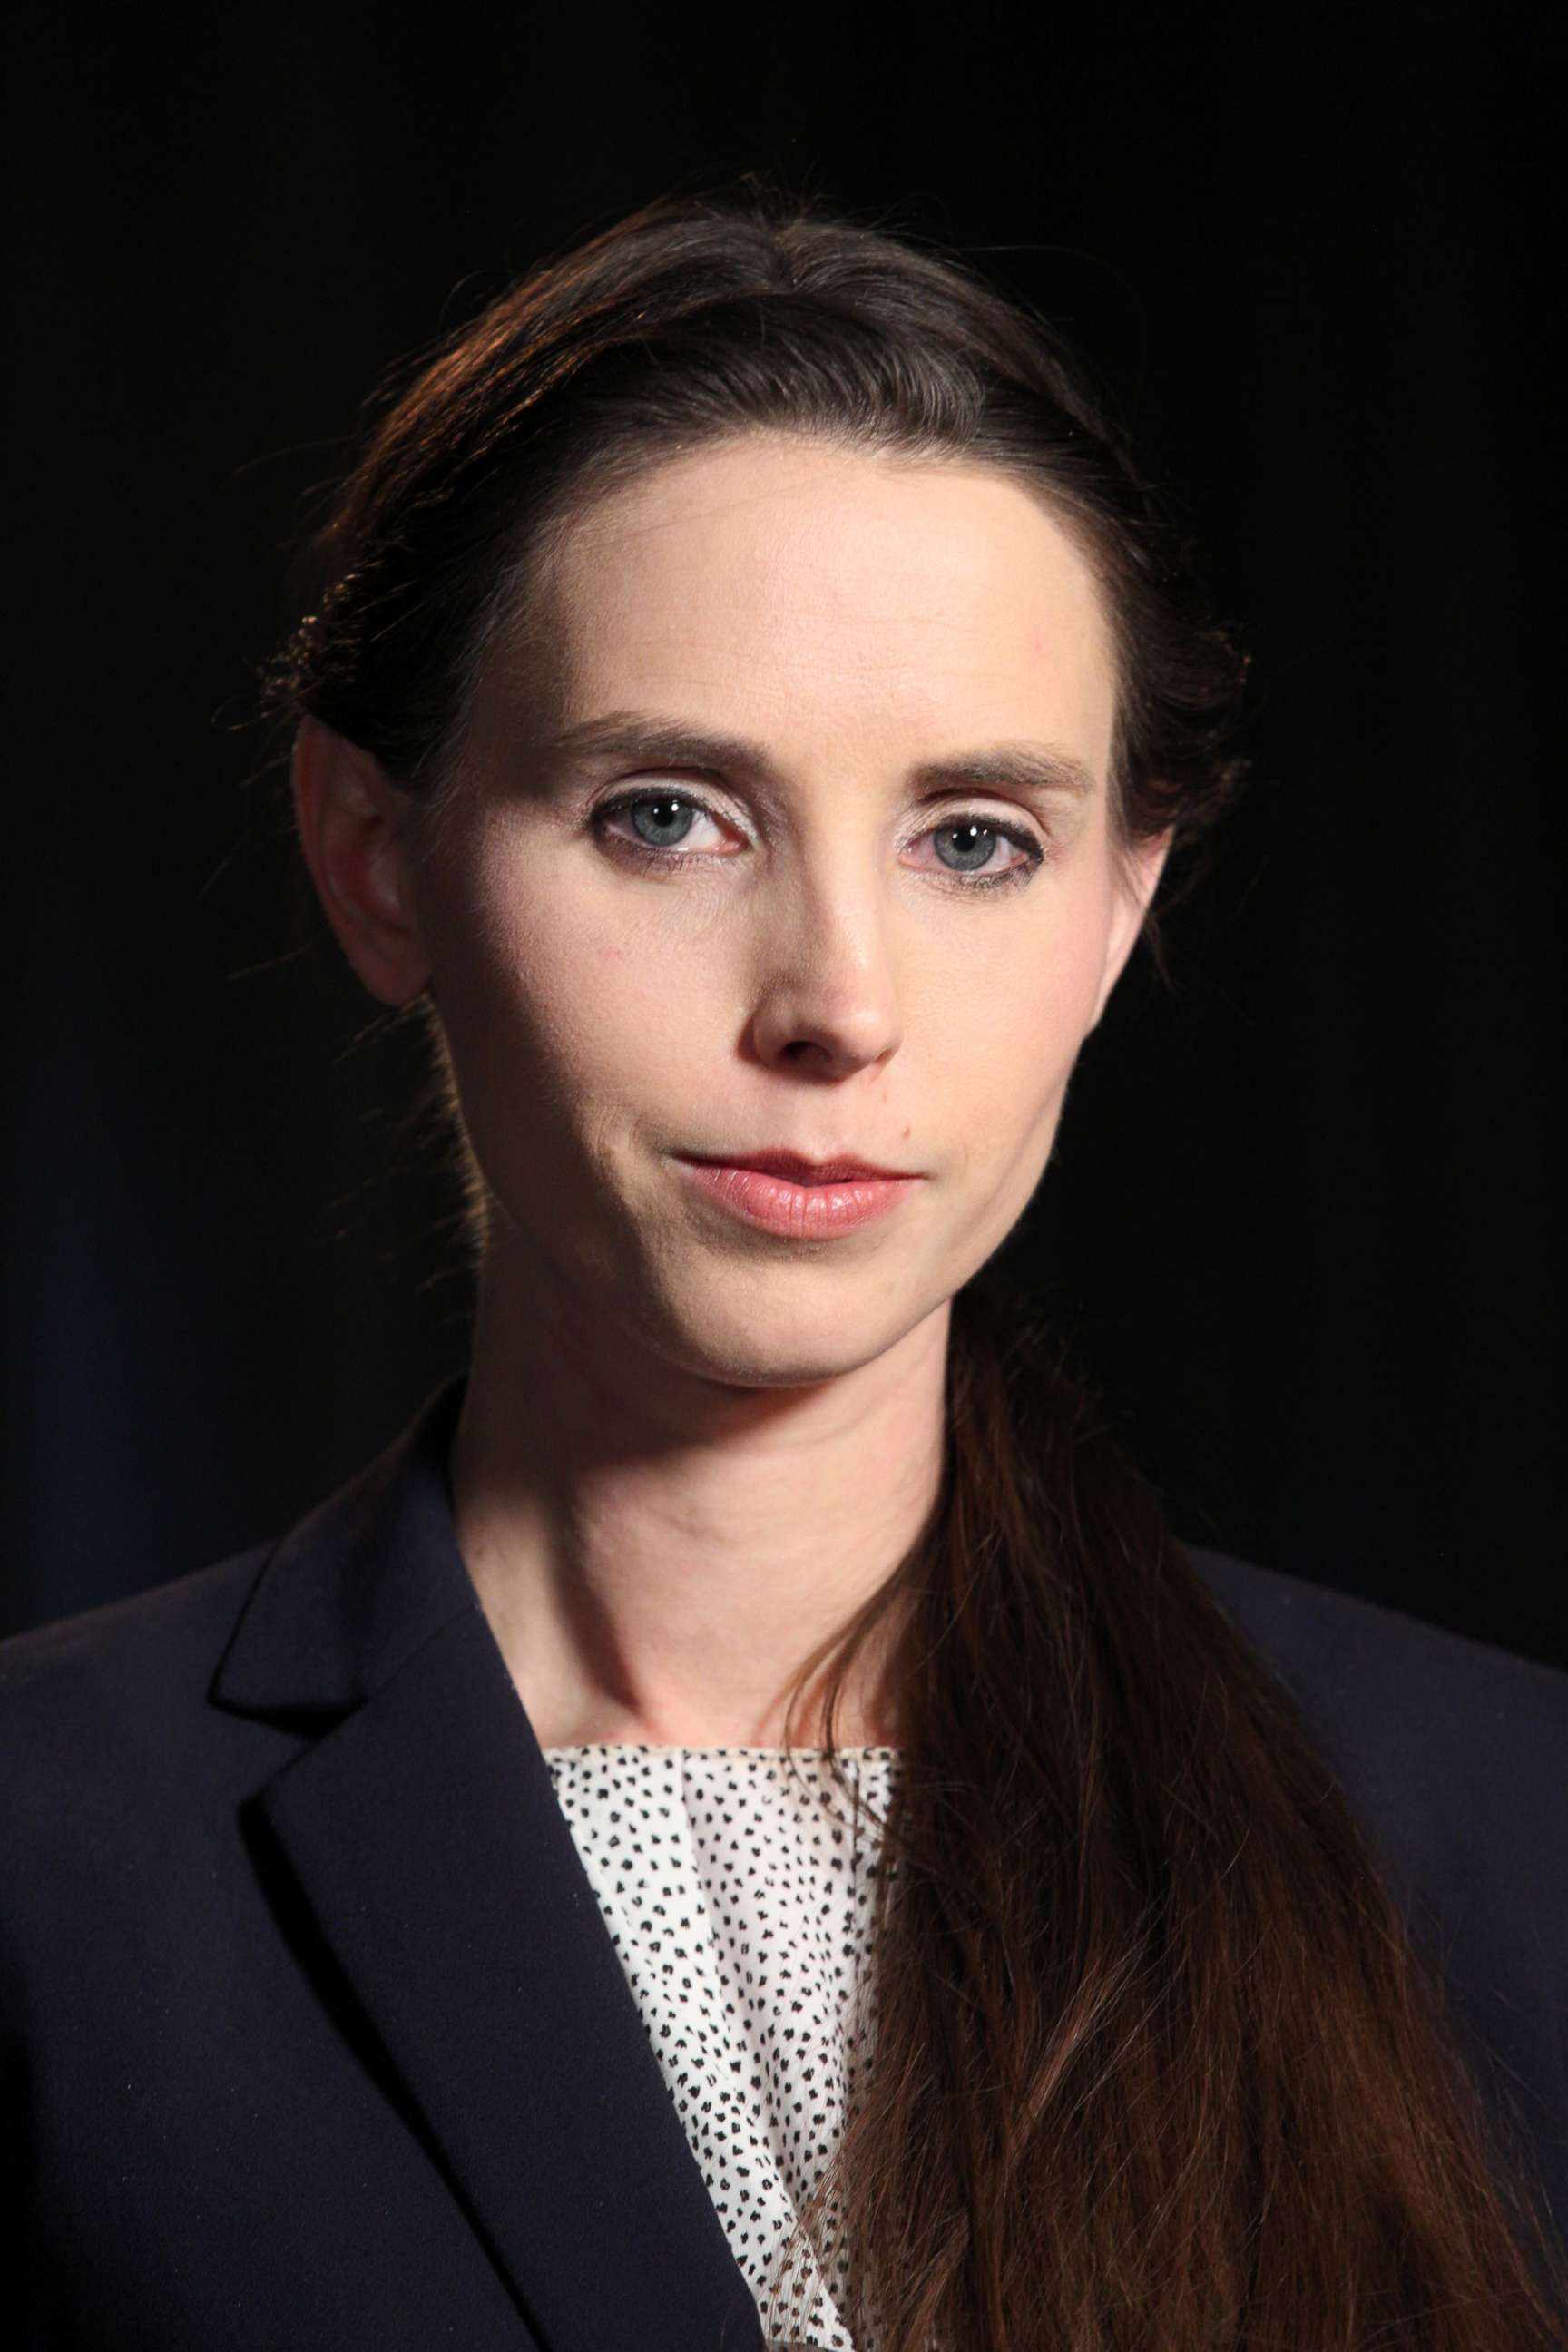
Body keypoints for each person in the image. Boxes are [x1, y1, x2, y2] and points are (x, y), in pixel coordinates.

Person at [3, 177, 1565, 2352]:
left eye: (972, 841)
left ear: (1119, 912)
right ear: (378, 862)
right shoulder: (52, 1856)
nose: (838, 1000)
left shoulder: (1506, 1831)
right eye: (670, 813)